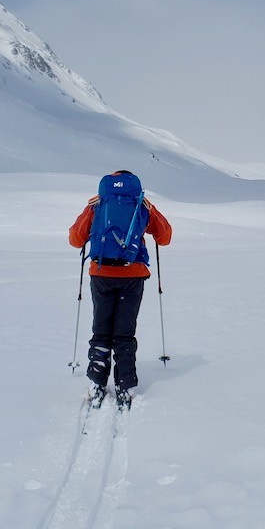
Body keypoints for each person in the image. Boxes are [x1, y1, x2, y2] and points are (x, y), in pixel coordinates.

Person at [68, 170, 172, 406]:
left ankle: (96, 383)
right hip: (132, 275)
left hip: (101, 274)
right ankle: (126, 386)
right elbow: (164, 237)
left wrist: (89, 209)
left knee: (101, 329)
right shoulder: (140, 205)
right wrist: (151, 209)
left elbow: (75, 239)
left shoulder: (99, 205)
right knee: (125, 332)